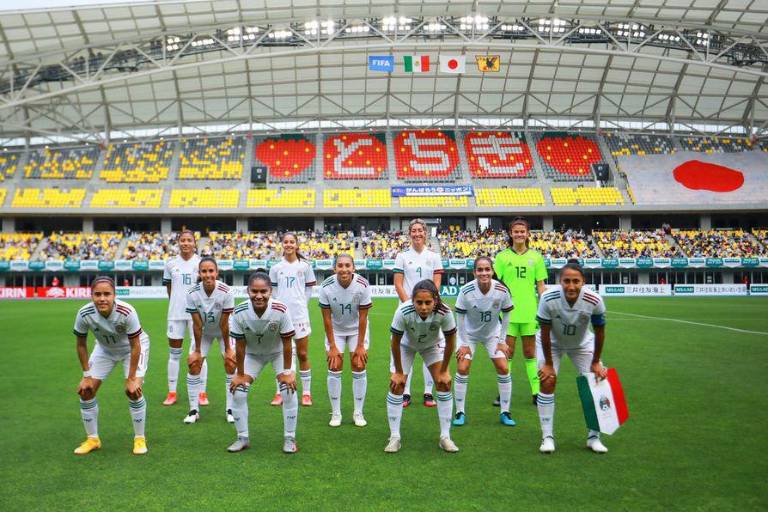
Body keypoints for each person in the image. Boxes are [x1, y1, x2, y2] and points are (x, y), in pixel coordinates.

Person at [535, 260, 609, 454]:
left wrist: (596, 362)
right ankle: (547, 437)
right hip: (551, 343)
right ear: (560, 281)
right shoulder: (548, 298)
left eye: (576, 281)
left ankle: (594, 437)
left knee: (596, 383)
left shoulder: (594, 300)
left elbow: (600, 332)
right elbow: (544, 331)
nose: (571, 286)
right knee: (548, 381)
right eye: (566, 281)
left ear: (583, 281)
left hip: (582, 344)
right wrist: (548, 364)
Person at [72, 276, 149, 455]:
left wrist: (131, 379)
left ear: (114, 295)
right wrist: (86, 375)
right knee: (86, 390)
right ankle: (92, 439)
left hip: (133, 349)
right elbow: (81, 344)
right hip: (105, 350)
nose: (102, 298)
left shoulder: (127, 311)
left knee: (133, 391)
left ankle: (139, 439)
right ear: (91, 296)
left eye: (107, 294)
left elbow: (136, 345)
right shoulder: (84, 313)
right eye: (97, 294)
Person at [228, 272, 299, 454]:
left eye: (263, 291)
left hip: (279, 353)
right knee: (238, 392)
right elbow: (240, 346)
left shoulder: (281, 310)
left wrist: (287, 371)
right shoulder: (239, 312)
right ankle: (242, 438)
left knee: (288, 390)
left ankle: (290, 438)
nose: (259, 296)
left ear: (271, 291)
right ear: (248, 291)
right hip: (252, 355)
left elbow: (287, 342)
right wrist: (241, 374)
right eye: (254, 291)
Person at [385, 280, 458, 453]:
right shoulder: (403, 310)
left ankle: (445, 437)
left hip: (432, 345)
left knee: (444, 383)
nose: (424, 307)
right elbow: (395, 342)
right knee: (397, 385)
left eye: (428, 302)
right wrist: (399, 372)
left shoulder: (445, 312)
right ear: (412, 301)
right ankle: (394, 437)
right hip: (405, 345)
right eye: (419, 302)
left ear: (436, 300)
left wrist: (444, 370)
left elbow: (450, 342)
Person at [452, 256, 516, 427]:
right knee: (462, 367)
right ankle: (459, 411)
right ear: (474, 272)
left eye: (487, 269)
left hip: (492, 333)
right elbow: (460, 317)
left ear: (492, 271)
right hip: (468, 335)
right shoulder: (466, 290)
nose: (484, 273)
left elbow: (507, 314)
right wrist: (464, 343)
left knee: (503, 367)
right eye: (480, 270)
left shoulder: (502, 290)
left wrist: (502, 341)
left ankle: (505, 411)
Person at [493, 217, 547, 406]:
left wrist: (544, 309)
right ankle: (504, 393)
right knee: (507, 354)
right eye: (516, 231)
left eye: (522, 231)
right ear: (510, 234)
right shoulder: (502, 257)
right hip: (507, 314)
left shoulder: (536, 257)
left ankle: (536, 392)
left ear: (527, 234)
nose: (519, 234)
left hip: (530, 313)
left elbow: (541, 287)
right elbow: (494, 284)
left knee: (530, 353)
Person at [393, 219, 444, 408]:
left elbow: (437, 282)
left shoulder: (434, 256)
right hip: (407, 310)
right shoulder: (402, 256)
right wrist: (409, 305)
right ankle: (405, 393)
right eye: (413, 231)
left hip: (429, 309)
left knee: (430, 348)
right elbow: (398, 283)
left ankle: (428, 392)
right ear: (409, 234)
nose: (417, 234)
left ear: (425, 233)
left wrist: (430, 303)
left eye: (420, 231)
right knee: (408, 349)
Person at [318, 254, 372, 427]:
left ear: (353, 268)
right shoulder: (326, 286)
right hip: (336, 330)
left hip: (357, 329)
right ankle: (336, 413)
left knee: (359, 364)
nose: (344, 269)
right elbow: (326, 319)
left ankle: (358, 412)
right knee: (334, 365)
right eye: (340, 265)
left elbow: (363, 318)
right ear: (335, 269)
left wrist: (360, 345)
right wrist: (332, 346)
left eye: (347, 265)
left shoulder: (363, 285)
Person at [183, 257, 236, 424]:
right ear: (199, 273)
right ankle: (193, 410)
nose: (208, 274)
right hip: (204, 332)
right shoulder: (192, 293)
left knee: (231, 363)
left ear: (217, 272)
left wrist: (228, 349)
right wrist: (197, 351)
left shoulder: (226, 292)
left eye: (211, 271)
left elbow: (225, 323)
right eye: (204, 271)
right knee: (193, 363)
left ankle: (230, 409)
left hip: (224, 331)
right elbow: (197, 325)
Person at [269, 232, 316, 406]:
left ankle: (306, 393)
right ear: (282, 245)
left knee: (303, 354)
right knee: (281, 355)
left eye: (292, 242)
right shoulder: (275, 268)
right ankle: (279, 392)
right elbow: (273, 291)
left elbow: (309, 289)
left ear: (296, 245)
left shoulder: (304, 266)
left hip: (300, 315)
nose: (288, 244)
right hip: (281, 317)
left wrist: (303, 303)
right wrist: (278, 306)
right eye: (286, 242)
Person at [162, 230, 202, 406]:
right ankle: (172, 392)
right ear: (178, 243)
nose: (186, 243)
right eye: (182, 240)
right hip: (176, 314)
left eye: (189, 240)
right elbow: (169, 288)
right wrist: (176, 304)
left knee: (199, 353)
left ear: (194, 243)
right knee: (174, 354)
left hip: (196, 315)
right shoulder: (170, 264)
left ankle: (201, 393)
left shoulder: (201, 263)